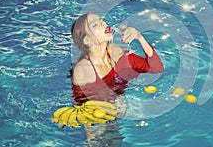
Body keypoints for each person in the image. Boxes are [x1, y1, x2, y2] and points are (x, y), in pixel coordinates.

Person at [70, 12, 164, 146]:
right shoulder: (83, 71)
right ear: (87, 40)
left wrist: (140, 37)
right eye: (95, 25)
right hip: (98, 113)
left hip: (115, 108)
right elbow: (86, 110)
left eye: (101, 20)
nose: (103, 23)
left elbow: (157, 68)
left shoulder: (116, 53)